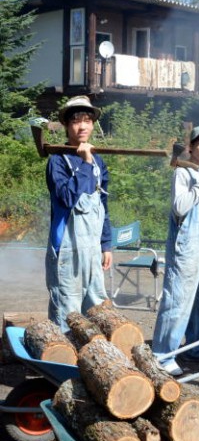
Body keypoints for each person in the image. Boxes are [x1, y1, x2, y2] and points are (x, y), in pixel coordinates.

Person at [152, 125, 199, 376]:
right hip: (185, 246)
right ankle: (162, 354)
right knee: (177, 300)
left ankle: (196, 349)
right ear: (190, 147)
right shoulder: (182, 172)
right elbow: (180, 208)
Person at [45, 96, 112, 332]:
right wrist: (84, 162)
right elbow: (65, 198)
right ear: (66, 125)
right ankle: (62, 366)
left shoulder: (98, 162)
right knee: (67, 314)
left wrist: (106, 244)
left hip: (92, 249)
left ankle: (94, 364)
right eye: (76, 121)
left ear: (93, 124)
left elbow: (102, 204)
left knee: (97, 310)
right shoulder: (58, 160)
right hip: (67, 249)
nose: (82, 126)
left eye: (87, 120)